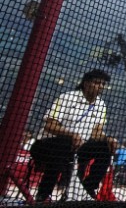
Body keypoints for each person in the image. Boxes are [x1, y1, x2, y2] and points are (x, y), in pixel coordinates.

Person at [29, 69, 117, 201]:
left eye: (103, 84)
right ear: (86, 83)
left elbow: (96, 132)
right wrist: (71, 135)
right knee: (63, 146)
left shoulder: (101, 105)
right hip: (48, 145)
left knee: (105, 148)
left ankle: (88, 188)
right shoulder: (67, 98)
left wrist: (108, 139)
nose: (101, 87)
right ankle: (43, 195)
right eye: (97, 83)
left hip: (78, 148)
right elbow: (49, 125)